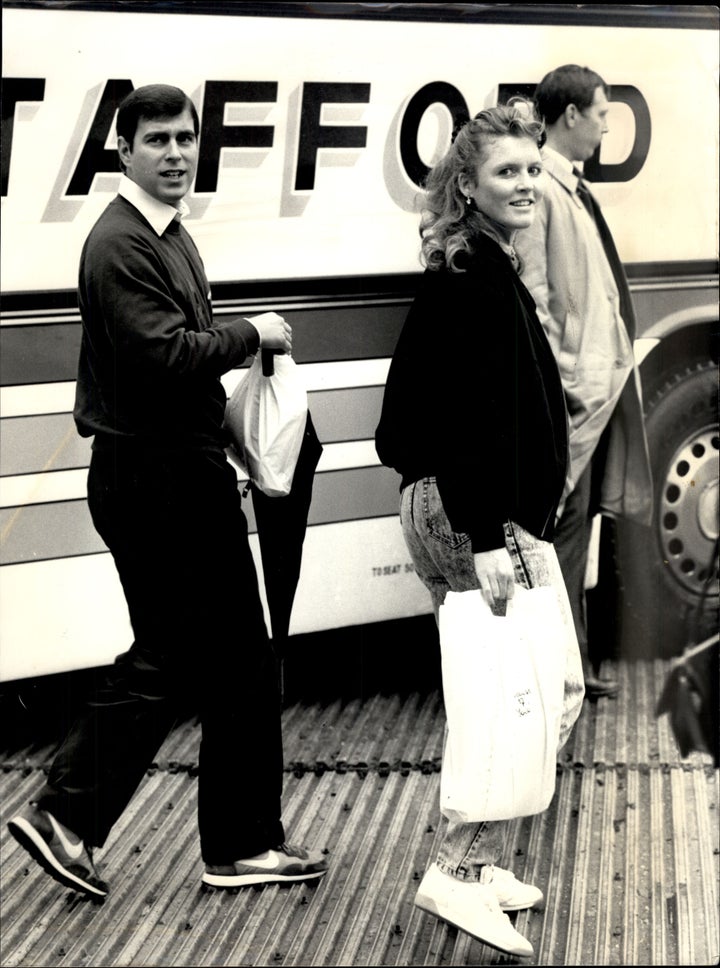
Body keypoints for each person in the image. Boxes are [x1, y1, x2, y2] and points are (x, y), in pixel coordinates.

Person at [7, 84, 327, 899]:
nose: (177, 153)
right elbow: (163, 355)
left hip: (173, 468)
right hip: (155, 481)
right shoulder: (121, 244)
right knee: (205, 660)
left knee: (210, 661)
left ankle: (181, 834)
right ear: (124, 150)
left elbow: (171, 373)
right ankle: (86, 815)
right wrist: (254, 333)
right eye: (158, 140)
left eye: (186, 138)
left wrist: (232, 433)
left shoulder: (169, 236)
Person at [374, 100, 584, 959]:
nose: (526, 183)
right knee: (507, 701)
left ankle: (480, 856)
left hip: (498, 517)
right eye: (507, 172)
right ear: (466, 185)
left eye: (533, 168)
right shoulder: (464, 280)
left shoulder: (488, 266)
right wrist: (485, 538)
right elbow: (444, 426)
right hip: (472, 522)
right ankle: (455, 874)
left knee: (552, 691)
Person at [513, 65, 653, 699]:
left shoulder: (567, 186)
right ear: (569, 115)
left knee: (576, 534)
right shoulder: (541, 187)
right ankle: (557, 675)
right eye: (599, 113)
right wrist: (566, 384)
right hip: (575, 397)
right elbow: (536, 293)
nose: (603, 126)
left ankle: (570, 670)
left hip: (592, 393)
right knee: (561, 534)